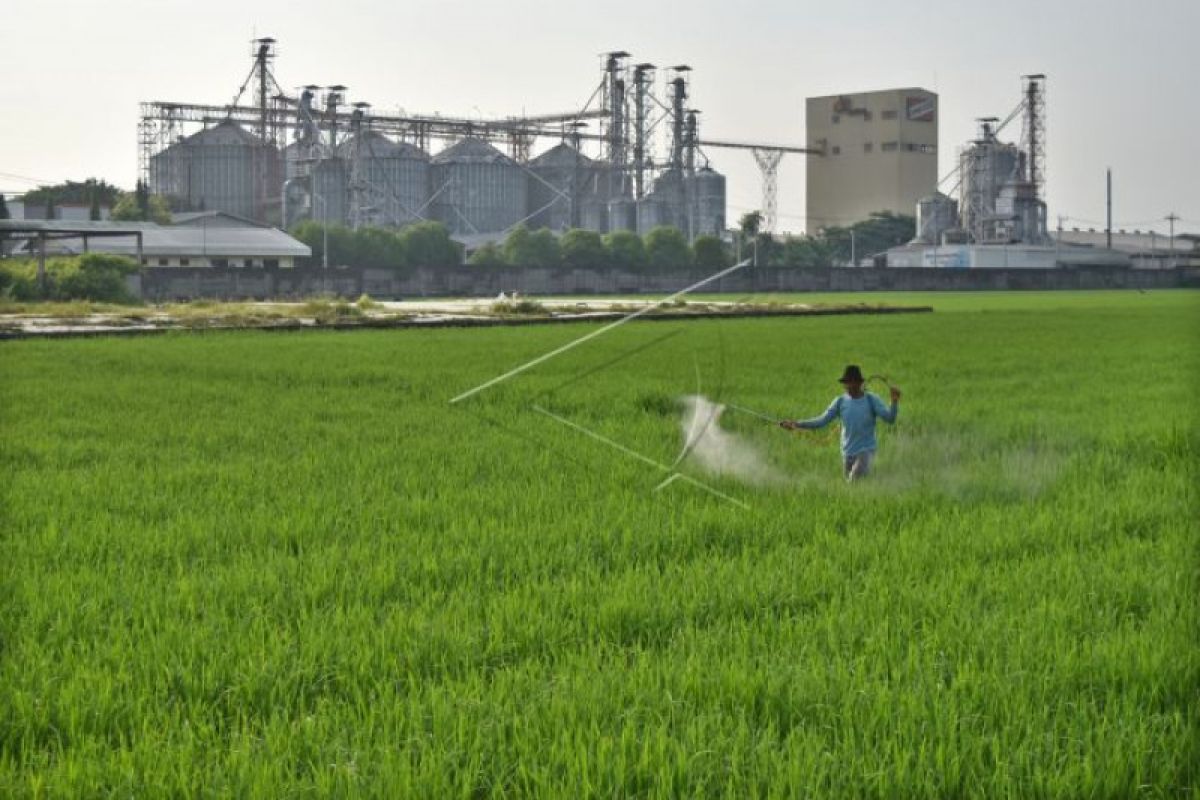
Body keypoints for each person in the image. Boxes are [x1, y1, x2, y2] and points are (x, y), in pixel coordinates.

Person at [780, 365, 901, 481]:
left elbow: (890, 419)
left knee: (854, 480)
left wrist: (894, 402)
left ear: (860, 383)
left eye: (853, 382)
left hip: (866, 450)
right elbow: (821, 421)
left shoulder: (871, 400)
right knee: (853, 489)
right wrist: (796, 424)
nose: (849, 386)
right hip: (847, 452)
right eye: (847, 383)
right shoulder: (840, 401)